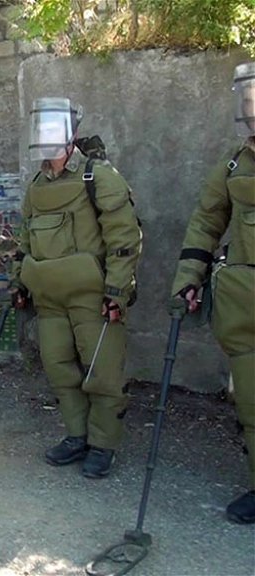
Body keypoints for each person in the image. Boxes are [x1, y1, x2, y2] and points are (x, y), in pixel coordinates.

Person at [11, 97, 142, 478]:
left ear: (72, 133)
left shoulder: (97, 176)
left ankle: (103, 444)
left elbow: (124, 238)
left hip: (93, 298)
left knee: (102, 372)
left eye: (54, 128)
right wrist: (19, 281)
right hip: (49, 299)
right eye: (42, 128)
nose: (47, 136)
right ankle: (77, 435)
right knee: (59, 369)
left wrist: (117, 291)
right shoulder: (37, 185)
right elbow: (25, 240)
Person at [171, 61, 255, 524]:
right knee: (251, 400)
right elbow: (206, 221)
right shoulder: (233, 164)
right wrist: (190, 277)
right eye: (248, 100)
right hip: (243, 299)